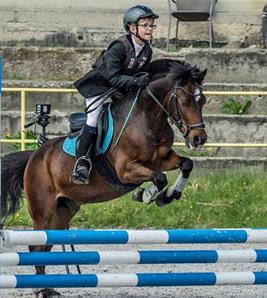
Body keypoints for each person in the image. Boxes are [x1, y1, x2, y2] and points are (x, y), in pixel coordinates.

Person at [72, 4, 159, 185]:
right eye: (145, 25)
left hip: (120, 89)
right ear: (132, 28)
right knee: (93, 119)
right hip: (99, 87)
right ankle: (81, 162)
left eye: (151, 25)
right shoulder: (119, 47)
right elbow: (113, 78)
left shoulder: (147, 51)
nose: (149, 29)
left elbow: (140, 74)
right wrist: (135, 82)